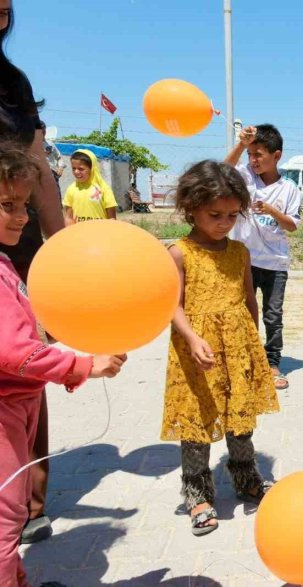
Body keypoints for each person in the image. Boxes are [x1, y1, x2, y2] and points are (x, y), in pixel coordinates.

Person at [0, 146, 126, 586]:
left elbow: (23, 330)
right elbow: (15, 352)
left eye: (23, 206)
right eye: (6, 206)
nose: (20, 217)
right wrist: (84, 364)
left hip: (20, 405)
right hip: (4, 412)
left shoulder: (2, 264)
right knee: (6, 515)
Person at [161, 160, 279, 537]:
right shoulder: (178, 253)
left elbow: (249, 300)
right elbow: (171, 304)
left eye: (232, 215)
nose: (224, 222)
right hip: (196, 350)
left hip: (238, 346)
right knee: (198, 419)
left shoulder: (240, 252)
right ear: (190, 207)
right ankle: (197, 493)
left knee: (238, 417)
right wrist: (193, 338)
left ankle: (246, 479)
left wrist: (253, 342)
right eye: (215, 214)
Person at [0, 0, 67, 546]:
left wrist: (60, 247)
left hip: (12, 236)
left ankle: (26, 502)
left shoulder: (13, 84)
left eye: (4, 11)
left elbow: (40, 166)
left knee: (21, 363)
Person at [225, 124, 303, 391]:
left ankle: (271, 364)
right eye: (250, 154)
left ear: (276, 156)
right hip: (243, 260)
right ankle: (244, 360)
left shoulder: (289, 188)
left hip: (275, 263)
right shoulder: (246, 176)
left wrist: (271, 210)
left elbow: (292, 225)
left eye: (259, 154)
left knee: (272, 315)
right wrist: (240, 144)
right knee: (242, 312)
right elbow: (224, 171)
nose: (253, 160)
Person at [62, 149, 118, 223]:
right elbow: (69, 218)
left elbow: (112, 219)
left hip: (100, 233)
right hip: (79, 233)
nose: (76, 172)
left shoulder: (103, 189)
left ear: (92, 168)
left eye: (81, 169)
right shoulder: (71, 189)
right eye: (73, 168)